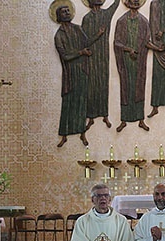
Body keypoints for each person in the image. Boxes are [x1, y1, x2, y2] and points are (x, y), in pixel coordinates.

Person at [114, 0, 156, 133]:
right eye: (132, 1)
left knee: (139, 87)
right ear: (127, 3)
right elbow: (117, 42)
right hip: (126, 62)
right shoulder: (121, 21)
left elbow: (146, 41)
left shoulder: (144, 21)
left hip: (139, 61)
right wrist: (128, 50)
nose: (135, 3)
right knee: (125, 88)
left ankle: (141, 120)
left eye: (137, 1)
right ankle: (124, 120)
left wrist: (157, 48)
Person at [54, 4, 91, 148]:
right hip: (70, 73)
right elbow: (65, 56)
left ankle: (82, 132)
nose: (67, 13)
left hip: (81, 71)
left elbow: (87, 42)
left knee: (81, 102)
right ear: (58, 16)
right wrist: (81, 52)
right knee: (68, 104)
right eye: (63, 11)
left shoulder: (77, 29)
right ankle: (64, 134)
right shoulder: (59, 35)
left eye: (68, 10)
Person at [82, 0, 120, 130]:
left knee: (103, 84)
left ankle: (104, 115)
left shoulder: (106, 14)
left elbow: (115, 5)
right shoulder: (87, 18)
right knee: (92, 85)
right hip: (92, 56)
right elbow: (85, 41)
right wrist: (98, 34)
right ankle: (91, 117)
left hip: (103, 55)